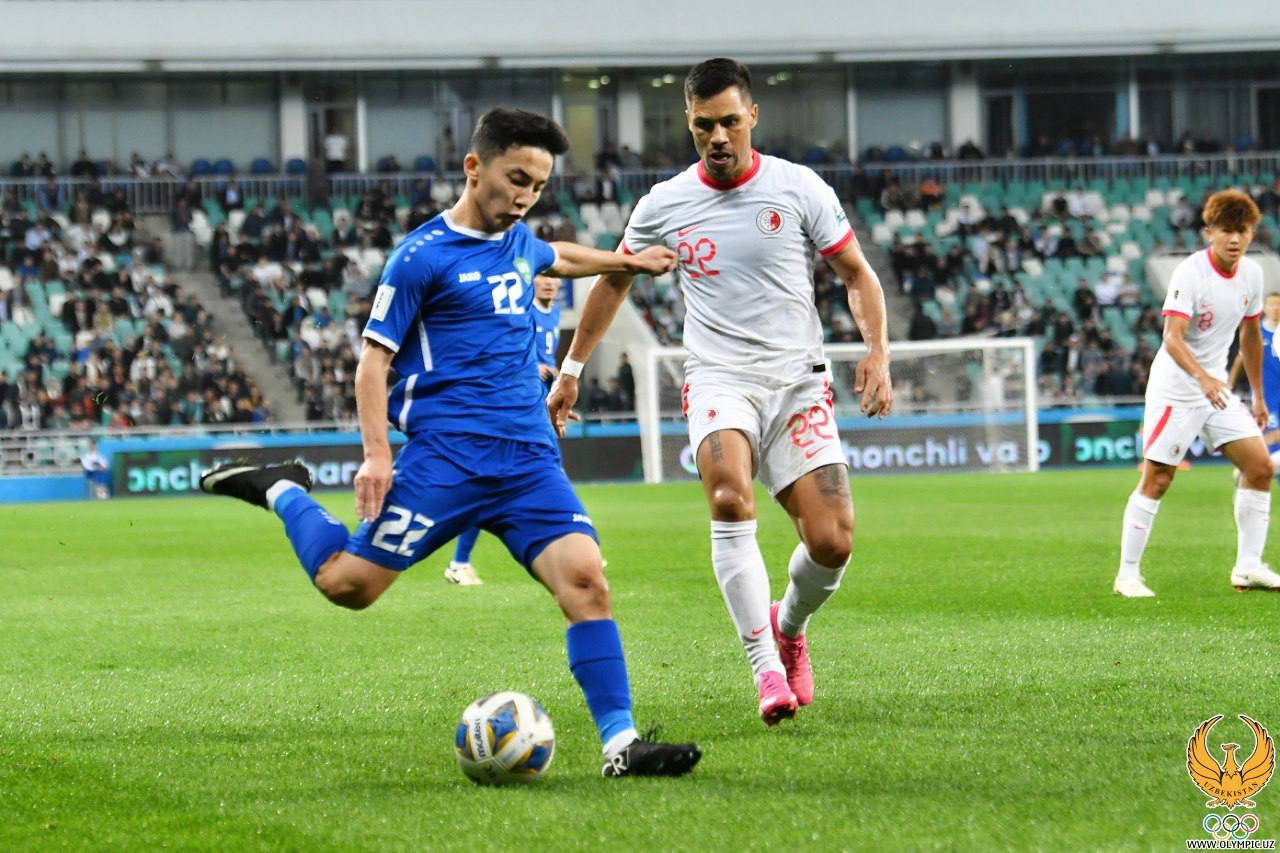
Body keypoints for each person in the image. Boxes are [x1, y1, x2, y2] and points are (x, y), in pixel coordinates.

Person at [199, 107, 700, 778]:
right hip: (447, 460)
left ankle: (621, 744)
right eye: (516, 179)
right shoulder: (421, 257)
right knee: (348, 585)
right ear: (474, 167)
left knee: (587, 582)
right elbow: (371, 362)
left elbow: (560, 256)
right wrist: (377, 456)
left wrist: (629, 260)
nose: (525, 196)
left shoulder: (519, 241)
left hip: (528, 461)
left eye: (538, 186)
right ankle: (284, 489)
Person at [548, 58, 893, 726]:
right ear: (689, 122)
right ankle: (765, 668)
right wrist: (572, 368)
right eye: (704, 125)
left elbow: (856, 273)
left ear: (752, 116)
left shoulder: (798, 187)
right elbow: (615, 279)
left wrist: (878, 350)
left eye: (730, 121)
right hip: (718, 378)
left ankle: (788, 627)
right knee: (730, 497)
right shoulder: (665, 202)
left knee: (833, 541)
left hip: (797, 383)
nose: (718, 136)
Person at [1114, 190, 1279, 597]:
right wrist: (1203, 379)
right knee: (1158, 478)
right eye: (1226, 231)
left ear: (1252, 233)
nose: (1235, 239)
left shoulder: (1252, 274)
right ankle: (1127, 575)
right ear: (1210, 233)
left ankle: (1248, 566)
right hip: (1177, 389)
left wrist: (1258, 396)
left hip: (1216, 389)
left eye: (1243, 231)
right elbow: (1172, 337)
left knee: (1260, 467)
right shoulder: (1190, 273)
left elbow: (1250, 335)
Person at [443, 273, 563, 587]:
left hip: (535, 406)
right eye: (544, 277)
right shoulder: (520, 309)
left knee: (547, 473)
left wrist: (556, 387)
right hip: (511, 408)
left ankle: (566, 550)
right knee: (491, 485)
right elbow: (499, 348)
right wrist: (529, 368)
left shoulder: (554, 314)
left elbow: (547, 361)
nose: (549, 283)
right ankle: (459, 563)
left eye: (555, 278)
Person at [1229, 291, 1280, 472]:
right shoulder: (1257, 333)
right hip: (1267, 398)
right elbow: (1241, 359)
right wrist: (1229, 385)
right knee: (1273, 441)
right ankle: (1248, 472)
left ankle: (1248, 472)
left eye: (1279, 304)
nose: (1276, 308)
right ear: (1265, 308)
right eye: (1272, 304)